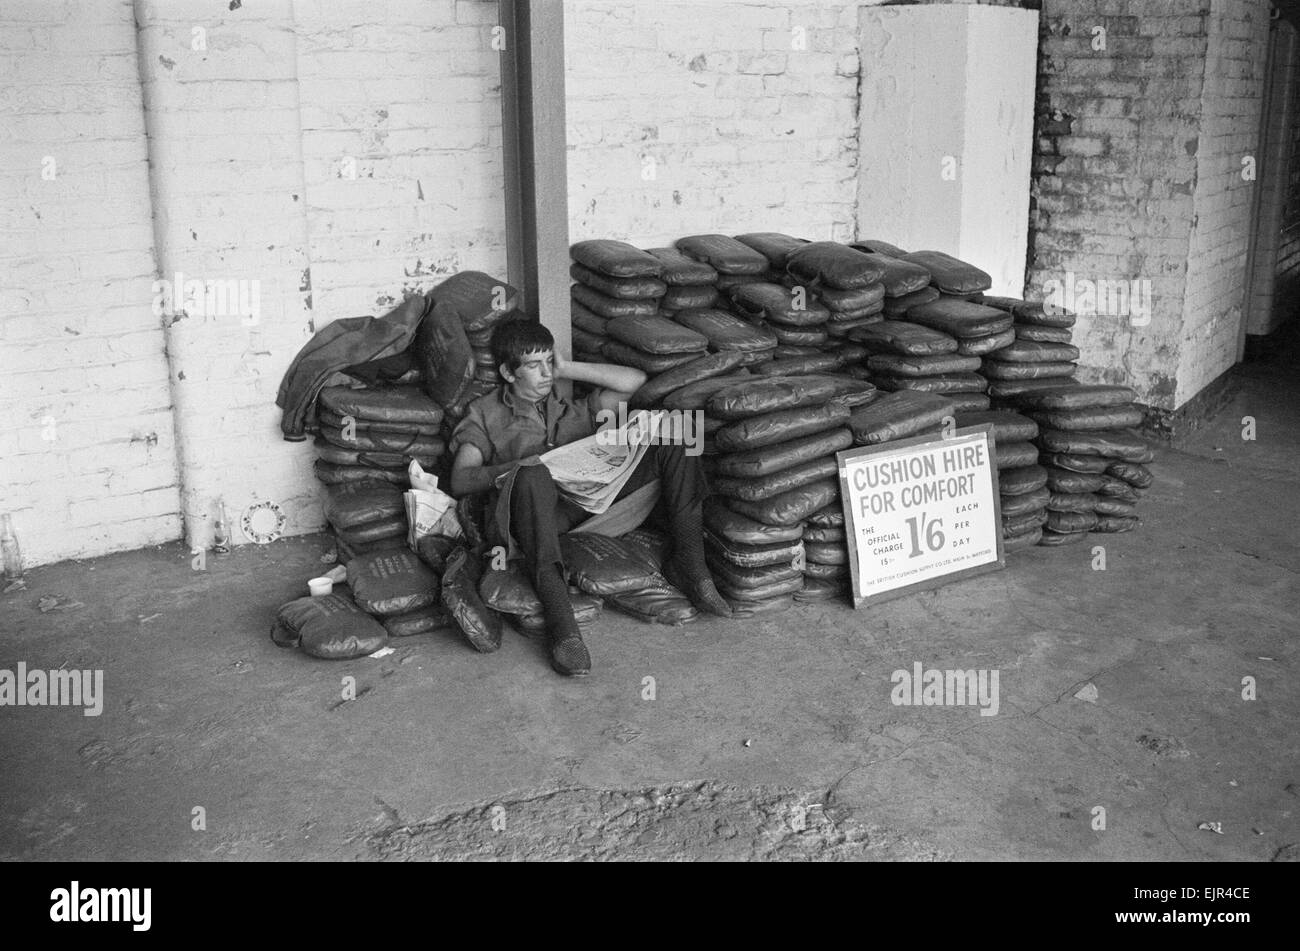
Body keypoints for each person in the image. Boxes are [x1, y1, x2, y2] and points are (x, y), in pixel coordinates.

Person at [449, 320, 730, 677]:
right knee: (533, 476)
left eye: (549, 362)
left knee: (677, 433)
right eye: (534, 366)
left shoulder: (567, 408)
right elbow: (461, 480)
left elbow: (634, 383)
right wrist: (517, 465)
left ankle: (691, 563)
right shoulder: (486, 415)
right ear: (508, 372)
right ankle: (562, 624)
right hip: (532, 524)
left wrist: (567, 368)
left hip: (589, 508)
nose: (546, 373)